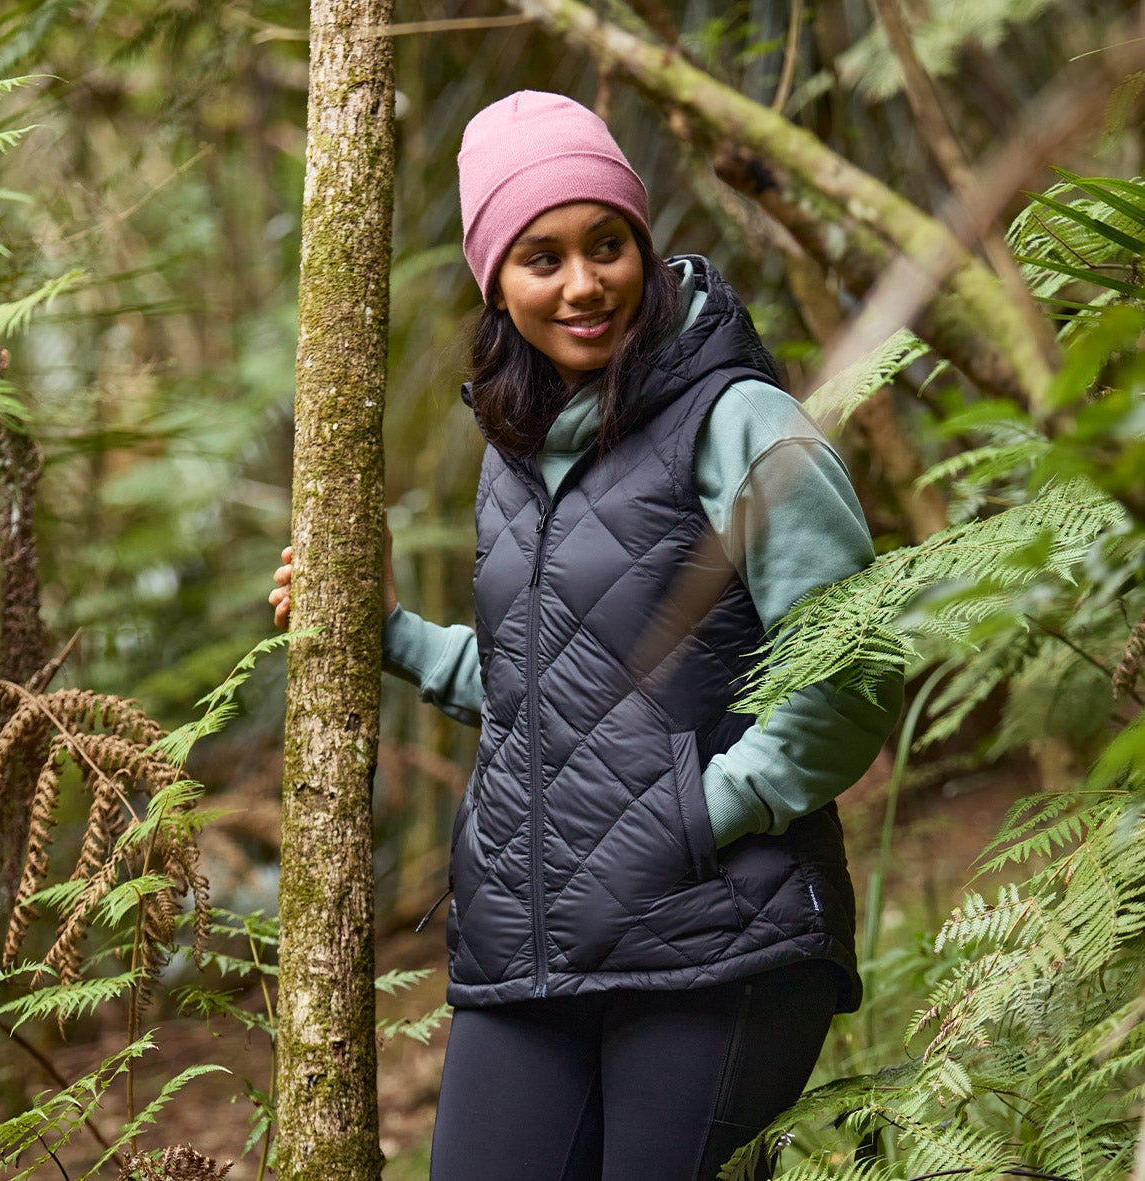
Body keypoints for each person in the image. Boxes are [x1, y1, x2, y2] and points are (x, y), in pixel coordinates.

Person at [271, 90, 901, 1181]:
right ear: (494, 281)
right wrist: (391, 635)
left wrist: (699, 812)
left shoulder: (739, 419)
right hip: (528, 951)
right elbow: (552, 685)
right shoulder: (514, 447)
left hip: (718, 938)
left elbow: (847, 670)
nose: (582, 284)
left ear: (642, 246)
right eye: (541, 257)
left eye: (605, 245)